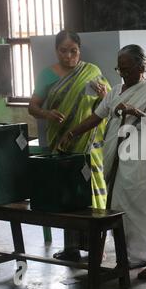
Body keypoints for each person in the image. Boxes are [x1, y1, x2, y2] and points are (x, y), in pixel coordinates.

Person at [58, 44, 146, 280]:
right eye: (119, 69)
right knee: (122, 210)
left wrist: (136, 112)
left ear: (143, 67)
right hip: (118, 161)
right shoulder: (115, 91)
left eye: (128, 68)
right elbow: (96, 116)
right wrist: (71, 133)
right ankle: (135, 256)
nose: (123, 73)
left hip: (142, 161)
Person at [28, 30, 110, 261]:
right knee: (68, 194)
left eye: (73, 50)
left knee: (93, 191)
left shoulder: (92, 72)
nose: (68, 56)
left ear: (79, 50)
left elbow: (108, 107)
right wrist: (47, 113)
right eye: (63, 51)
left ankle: (98, 246)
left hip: (89, 143)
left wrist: (104, 96)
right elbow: (32, 107)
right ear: (56, 51)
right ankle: (71, 247)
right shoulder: (47, 75)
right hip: (61, 144)